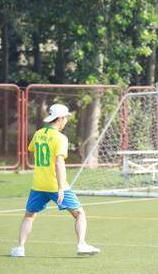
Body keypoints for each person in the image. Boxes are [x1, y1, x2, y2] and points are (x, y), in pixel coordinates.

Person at [10, 103, 100, 257]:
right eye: (65, 118)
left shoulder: (38, 133)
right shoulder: (60, 138)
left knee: (29, 215)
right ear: (60, 119)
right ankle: (81, 244)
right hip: (56, 185)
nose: (66, 120)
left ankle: (20, 248)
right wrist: (60, 187)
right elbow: (59, 163)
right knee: (79, 213)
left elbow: (32, 149)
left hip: (38, 184)